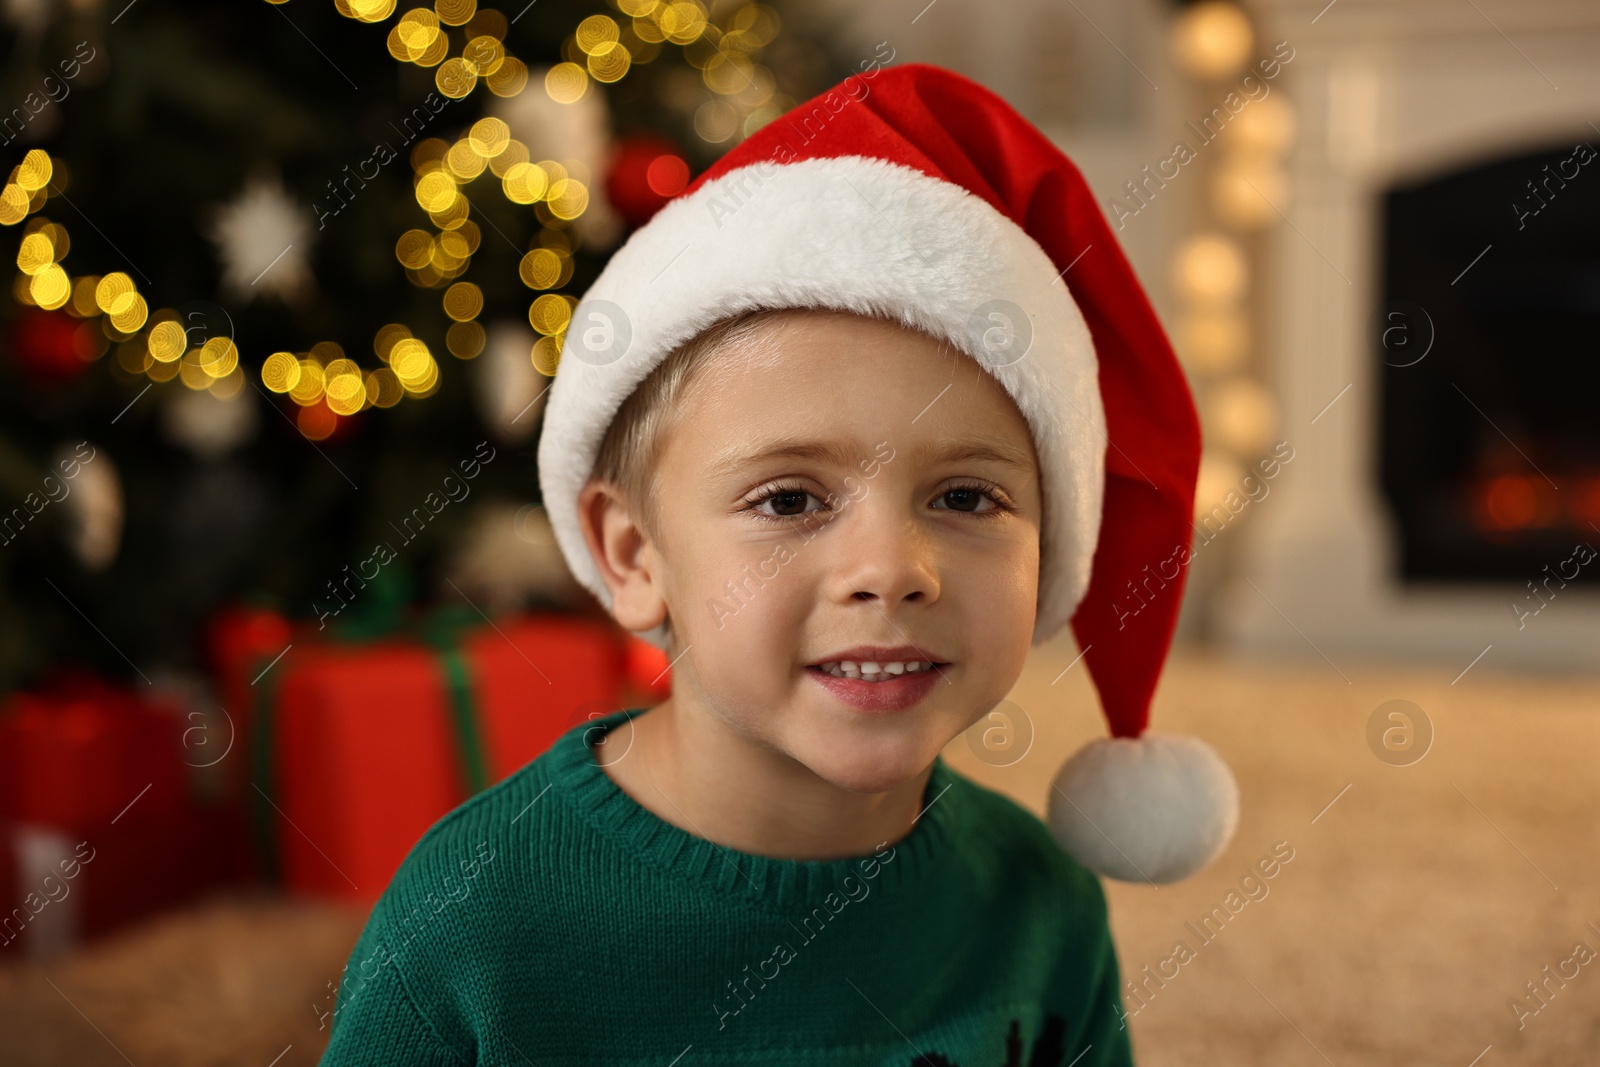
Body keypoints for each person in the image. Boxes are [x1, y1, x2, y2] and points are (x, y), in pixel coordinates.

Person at [320, 61, 1240, 1066]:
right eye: (789, 499)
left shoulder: (1040, 901)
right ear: (633, 554)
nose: (891, 570)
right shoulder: (475, 920)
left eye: (965, 496)